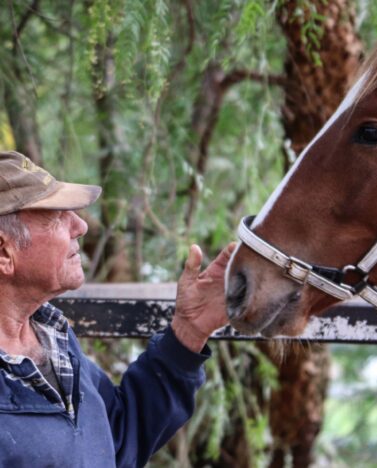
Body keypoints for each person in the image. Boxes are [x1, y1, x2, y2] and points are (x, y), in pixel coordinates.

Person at [0, 150, 234, 467]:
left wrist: (189, 331)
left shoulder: (53, 336)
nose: (80, 226)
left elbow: (116, 440)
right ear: (4, 251)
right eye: (56, 216)